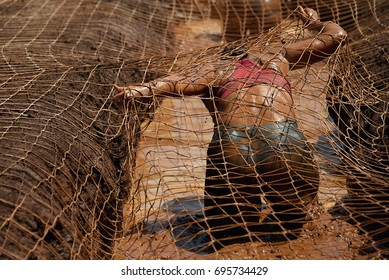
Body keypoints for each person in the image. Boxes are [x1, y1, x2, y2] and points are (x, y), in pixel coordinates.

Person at [113, 7, 347, 247]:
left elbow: (175, 83)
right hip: (285, 137)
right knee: (292, 223)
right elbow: (336, 36)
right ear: (248, 55)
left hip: (232, 143)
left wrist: (141, 89)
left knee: (229, 231)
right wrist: (313, 22)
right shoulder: (277, 59)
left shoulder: (215, 69)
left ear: (225, 58)